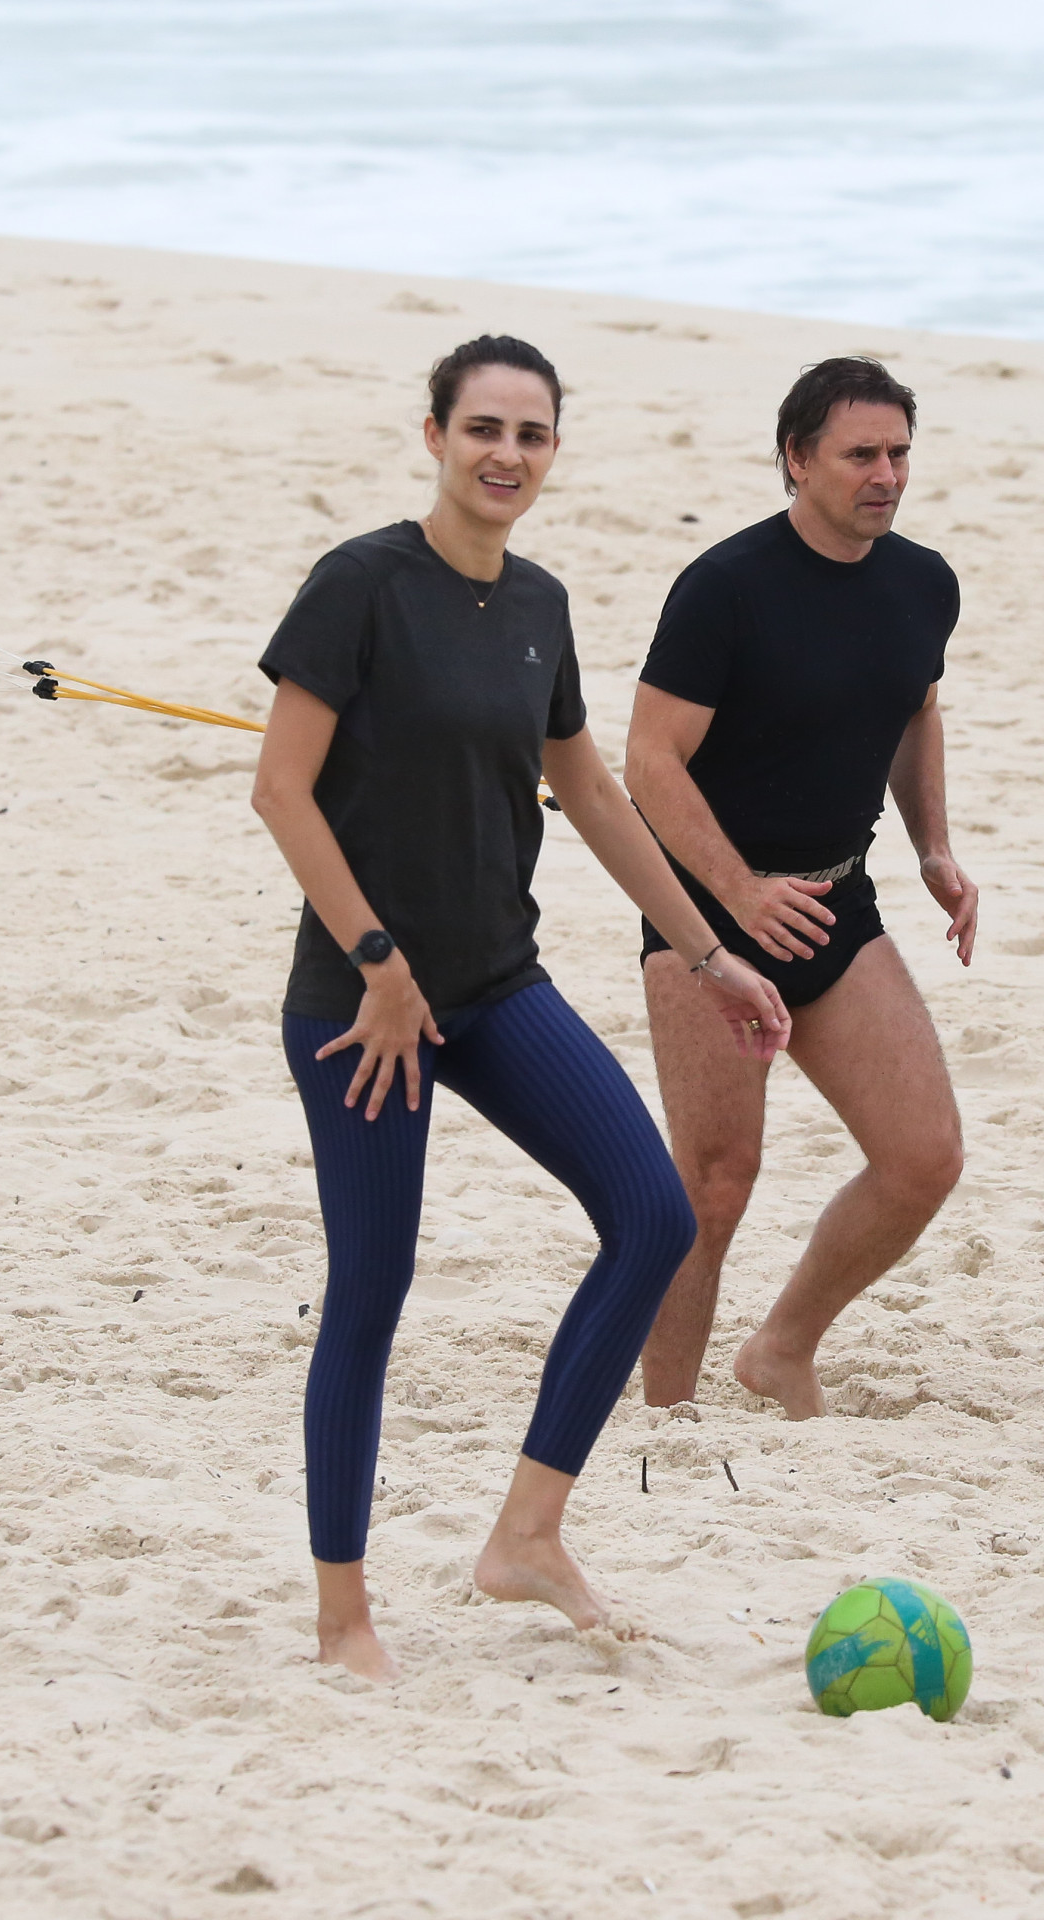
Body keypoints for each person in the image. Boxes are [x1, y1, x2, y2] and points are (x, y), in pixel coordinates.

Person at [252, 334, 790, 1680]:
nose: (506, 454)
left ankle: (528, 1537)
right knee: (371, 1290)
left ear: (553, 452)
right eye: (483, 428)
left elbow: (590, 788)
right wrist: (379, 964)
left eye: (531, 434)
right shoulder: (360, 586)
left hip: (495, 984)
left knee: (654, 1216)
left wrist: (708, 951)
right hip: (361, 1006)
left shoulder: (539, 601)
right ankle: (343, 1616)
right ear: (434, 434)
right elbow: (281, 791)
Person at [625, 356, 977, 1421]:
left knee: (923, 1158)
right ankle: (667, 1420)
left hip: (836, 904)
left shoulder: (924, 583)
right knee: (715, 1183)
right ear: (797, 458)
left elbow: (914, 710)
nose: (887, 475)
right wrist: (740, 891)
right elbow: (650, 761)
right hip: (705, 916)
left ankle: (780, 1348)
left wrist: (933, 849)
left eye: (900, 453)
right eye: (861, 454)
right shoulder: (726, 587)